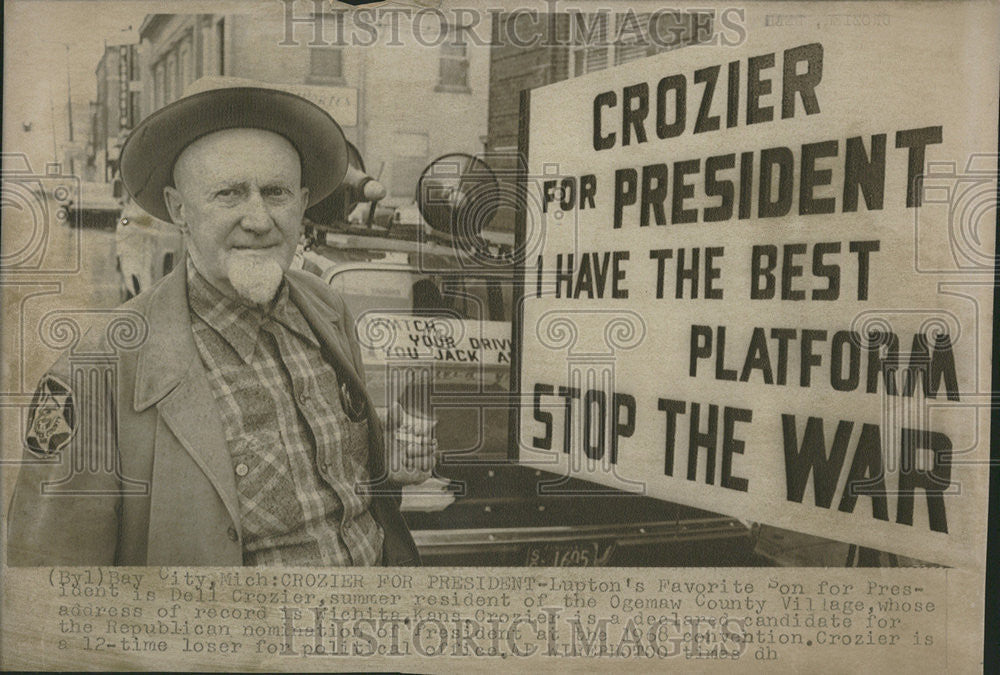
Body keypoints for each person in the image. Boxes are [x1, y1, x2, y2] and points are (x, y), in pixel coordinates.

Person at [7, 77, 432, 566]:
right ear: (178, 209)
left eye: (276, 193)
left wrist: (382, 460)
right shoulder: (95, 372)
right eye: (229, 194)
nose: (259, 219)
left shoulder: (327, 308)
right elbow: (51, 580)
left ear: (303, 200)